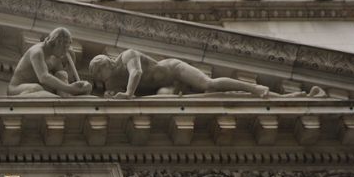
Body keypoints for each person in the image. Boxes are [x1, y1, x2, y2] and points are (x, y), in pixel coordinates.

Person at [88, 48, 271, 98]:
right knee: (213, 95)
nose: (102, 80)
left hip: (174, 71)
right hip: (166, 88)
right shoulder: (112, 81)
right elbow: (109, 96)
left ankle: (255, 88)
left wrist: (128, 94)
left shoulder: (127, 55)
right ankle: (246, 94)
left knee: (209, 85)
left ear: (105, 64)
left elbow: (136, 73)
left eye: (99, 74)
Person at [8, 28, 91, 97]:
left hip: (42, 88)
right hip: (17, 89)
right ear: (58, 43)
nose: (65, 53)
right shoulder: (37, 52)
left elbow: (62, 79)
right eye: (64, 49)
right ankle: (58, 101)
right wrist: (71, 89)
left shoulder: (55, 57)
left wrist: (80, 86)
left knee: (61, 74)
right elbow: (44, 77)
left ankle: (67, 100)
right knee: (36, 88)